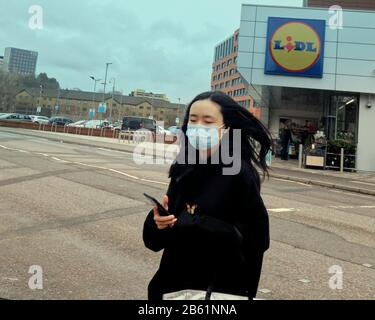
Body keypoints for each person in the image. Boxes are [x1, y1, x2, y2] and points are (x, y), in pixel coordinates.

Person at [143, 91, 272, 300]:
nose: (198, 126)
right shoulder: (183, 168)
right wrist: (158, 222)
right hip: (171, 289)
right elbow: (155, 241)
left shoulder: (239, 174)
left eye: (208, 121)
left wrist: (194, 224)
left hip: (215, 292)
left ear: (226, 128)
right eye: (193, 120)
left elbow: (256, 241)